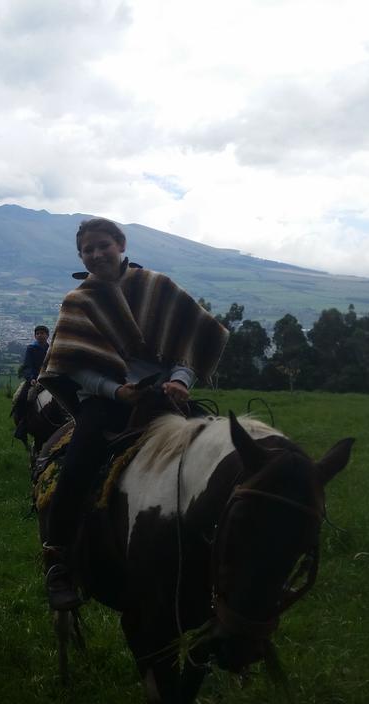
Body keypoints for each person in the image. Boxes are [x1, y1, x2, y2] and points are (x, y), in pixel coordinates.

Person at [36, 218, 228, 611]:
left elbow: (189, 344)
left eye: (102, 245)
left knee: (218, 456)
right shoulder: (79, 300)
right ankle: (58, 561)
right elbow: (72, 365)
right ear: (81, 256)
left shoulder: (158, 287)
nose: (96, 254)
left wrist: (180, 380)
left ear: (121, 244)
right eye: (87, 250)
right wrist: (117, 391)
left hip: (165, 398)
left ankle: (227, 557)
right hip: (105, 403)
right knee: (74, 469)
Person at [12, 325, 51, 441]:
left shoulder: (50, 349)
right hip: (34, 380)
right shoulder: (31, 348)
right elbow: (27, 365)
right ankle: (23, 423)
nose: (40, 335)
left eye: (42, 333)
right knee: (22, 397)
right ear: (35, 336)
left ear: (47, 335)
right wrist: (31, 378)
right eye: (38, 333)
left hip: (49, 379)